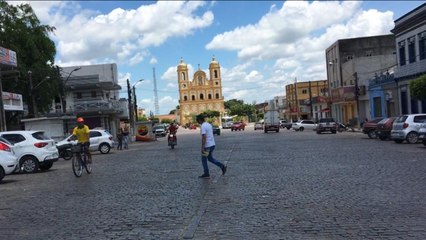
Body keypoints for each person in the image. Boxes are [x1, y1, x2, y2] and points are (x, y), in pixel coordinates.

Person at [196, 114, 227, 179]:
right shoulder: (208, 124)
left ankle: (206, 173)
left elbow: (204, 137)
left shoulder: (203, 126)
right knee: (210, 158)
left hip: (207, 146)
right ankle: (222, 166)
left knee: (203, 160)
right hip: (212, 144)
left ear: (199, 120)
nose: (197, 122)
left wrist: (202, 147)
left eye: (197, 120)